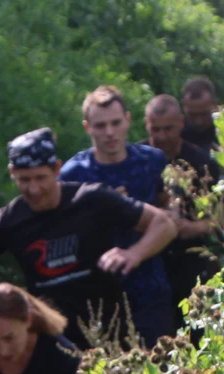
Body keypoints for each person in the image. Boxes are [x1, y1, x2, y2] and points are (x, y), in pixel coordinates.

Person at [0, 127, 176, 349]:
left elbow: (164, 224)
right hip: (52, 342)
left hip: (109, 334)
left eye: (40, 178)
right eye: (24, 180)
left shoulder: (91, 199)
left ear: (57, 168)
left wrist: (134, 253)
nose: (34, 189)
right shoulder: (9, 220)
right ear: (12, 173)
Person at [59, 86, 174, 348]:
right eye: (100, 126)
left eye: (115, 123)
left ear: (128, 121)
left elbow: (169, 212)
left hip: (149, 287)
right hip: (97, 296)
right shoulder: (73, 175)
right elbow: (61, 233)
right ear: (87, 128)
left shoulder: (152, 162)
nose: (109, 132)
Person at [143, 94, 224, 326]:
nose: (161, 137)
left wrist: (192, 227)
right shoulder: (138, 160)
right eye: (155, 129)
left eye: (168, 129)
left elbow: (222, 217)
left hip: (193, 262)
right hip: (150, 264)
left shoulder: (202, 163)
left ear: (181, 122)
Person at [180, 77, 220, 152]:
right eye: (192, 115)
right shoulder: (174, 135)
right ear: (184, 106)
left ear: (215, 104)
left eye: (204, 114)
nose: (199, 121)